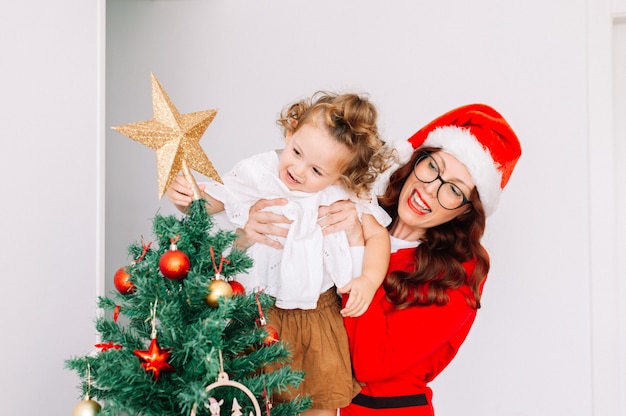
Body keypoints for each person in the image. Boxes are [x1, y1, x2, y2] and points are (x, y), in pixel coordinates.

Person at [242, 103, 522, 416]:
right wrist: (249, 228)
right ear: (416, 160)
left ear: (465, 210)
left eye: (453, 190)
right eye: (433, 167)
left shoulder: (459, 276)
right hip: (289, 396)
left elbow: (370, 364)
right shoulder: (358, 208)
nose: (430, 190)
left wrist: (357, 244)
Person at [166, 91, 394, 416]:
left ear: (340, 176)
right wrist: (186, 196)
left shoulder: (342, 193)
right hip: (260, 313)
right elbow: (217, 199)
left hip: (318, 316)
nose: (299, 170)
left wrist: (369, 279)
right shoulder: (260, 172)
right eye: (297, 152)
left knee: (320, 403)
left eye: (317, 171)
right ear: (290, 130)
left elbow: (377, 235)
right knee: (252, 402)